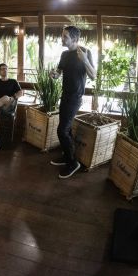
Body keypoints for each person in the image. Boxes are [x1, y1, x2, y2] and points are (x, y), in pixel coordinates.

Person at [50, 26, 96, 179]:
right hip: (64, 95)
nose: (62, 39)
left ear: (75, 39)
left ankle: (72, 163)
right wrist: (54, 74)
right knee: (67, 129)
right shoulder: (64, 54)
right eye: (62, 36)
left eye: (65, 37)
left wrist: (84, 61)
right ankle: (66, 156)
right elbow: (59, 72)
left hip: (75, 98)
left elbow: (93, 75)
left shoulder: (85, 52)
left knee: (61, 130)